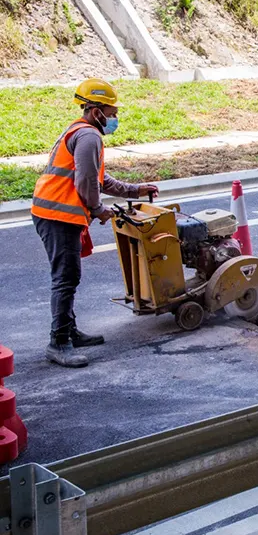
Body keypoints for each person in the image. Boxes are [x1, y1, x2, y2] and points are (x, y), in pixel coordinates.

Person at [31, 79, 159, 367]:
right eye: (111, 112)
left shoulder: (80, 131)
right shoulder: (90, 137)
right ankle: (59, 342)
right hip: (57, 215)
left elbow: (99, 179)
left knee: (68, 275)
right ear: (96, 110)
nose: (114, 118)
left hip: (52, 212)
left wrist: (134, 190)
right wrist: (98, 209)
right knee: (66, 278)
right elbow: (87, 182)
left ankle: (70, 332)